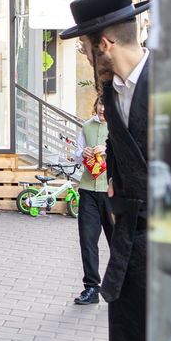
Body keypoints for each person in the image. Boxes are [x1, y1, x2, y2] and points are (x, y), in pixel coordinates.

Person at [59, 0, 150, 341]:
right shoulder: (112, 92)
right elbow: (120, 146)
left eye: (84, 46)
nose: (84, 53)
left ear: (105, 44)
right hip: (132, 234)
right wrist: (114, 181)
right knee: (132, 336)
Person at [72, 96, 113, 306]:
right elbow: (77, 155)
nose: (102, 108)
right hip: (88, 189)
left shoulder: (119, 128)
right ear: (95, 105)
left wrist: (108, 151)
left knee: (117, 242)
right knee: (88, 241)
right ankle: (91, 288)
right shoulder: (86, 126)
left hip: (112, 192)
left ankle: (120, 289)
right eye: (100, 104)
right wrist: (83, 153)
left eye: (106, 104)